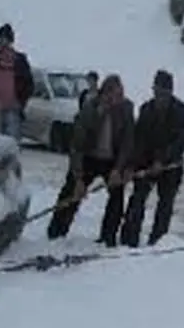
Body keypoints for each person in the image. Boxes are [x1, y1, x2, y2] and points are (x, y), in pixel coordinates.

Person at [49, 74, 136, 246]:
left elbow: (128, 142)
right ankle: (56, 232)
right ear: (104, 94)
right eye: (114, 96)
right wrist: (80, 178)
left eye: (120, 95)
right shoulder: (89, 109)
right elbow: (77, 147)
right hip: (89, 157)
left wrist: (119, 169)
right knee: (71, 191)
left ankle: (108, 237)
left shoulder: (126, 109)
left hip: (112, 160)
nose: (117, 100)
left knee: (116, 196)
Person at [120, 71, 184, 247]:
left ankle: (158, 240)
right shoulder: (146, 109)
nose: (159, 96)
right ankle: (129, 239)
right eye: (156, 91)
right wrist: (133, 165)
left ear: (170, 91)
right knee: (137, 200)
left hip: (170, 166)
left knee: (165, 204)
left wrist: (162, 160)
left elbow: (181, 140)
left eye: (163, 92)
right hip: (146, 164)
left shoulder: (182, 111)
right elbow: (139, 140)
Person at [0, 23, 34, 139]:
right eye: (0, 38)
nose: (2, 42)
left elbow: (29, 84)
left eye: (5, 39)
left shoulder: (20, 60)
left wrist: (21, 102)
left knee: (11, 141)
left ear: (11, 40)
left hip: (13, 107)